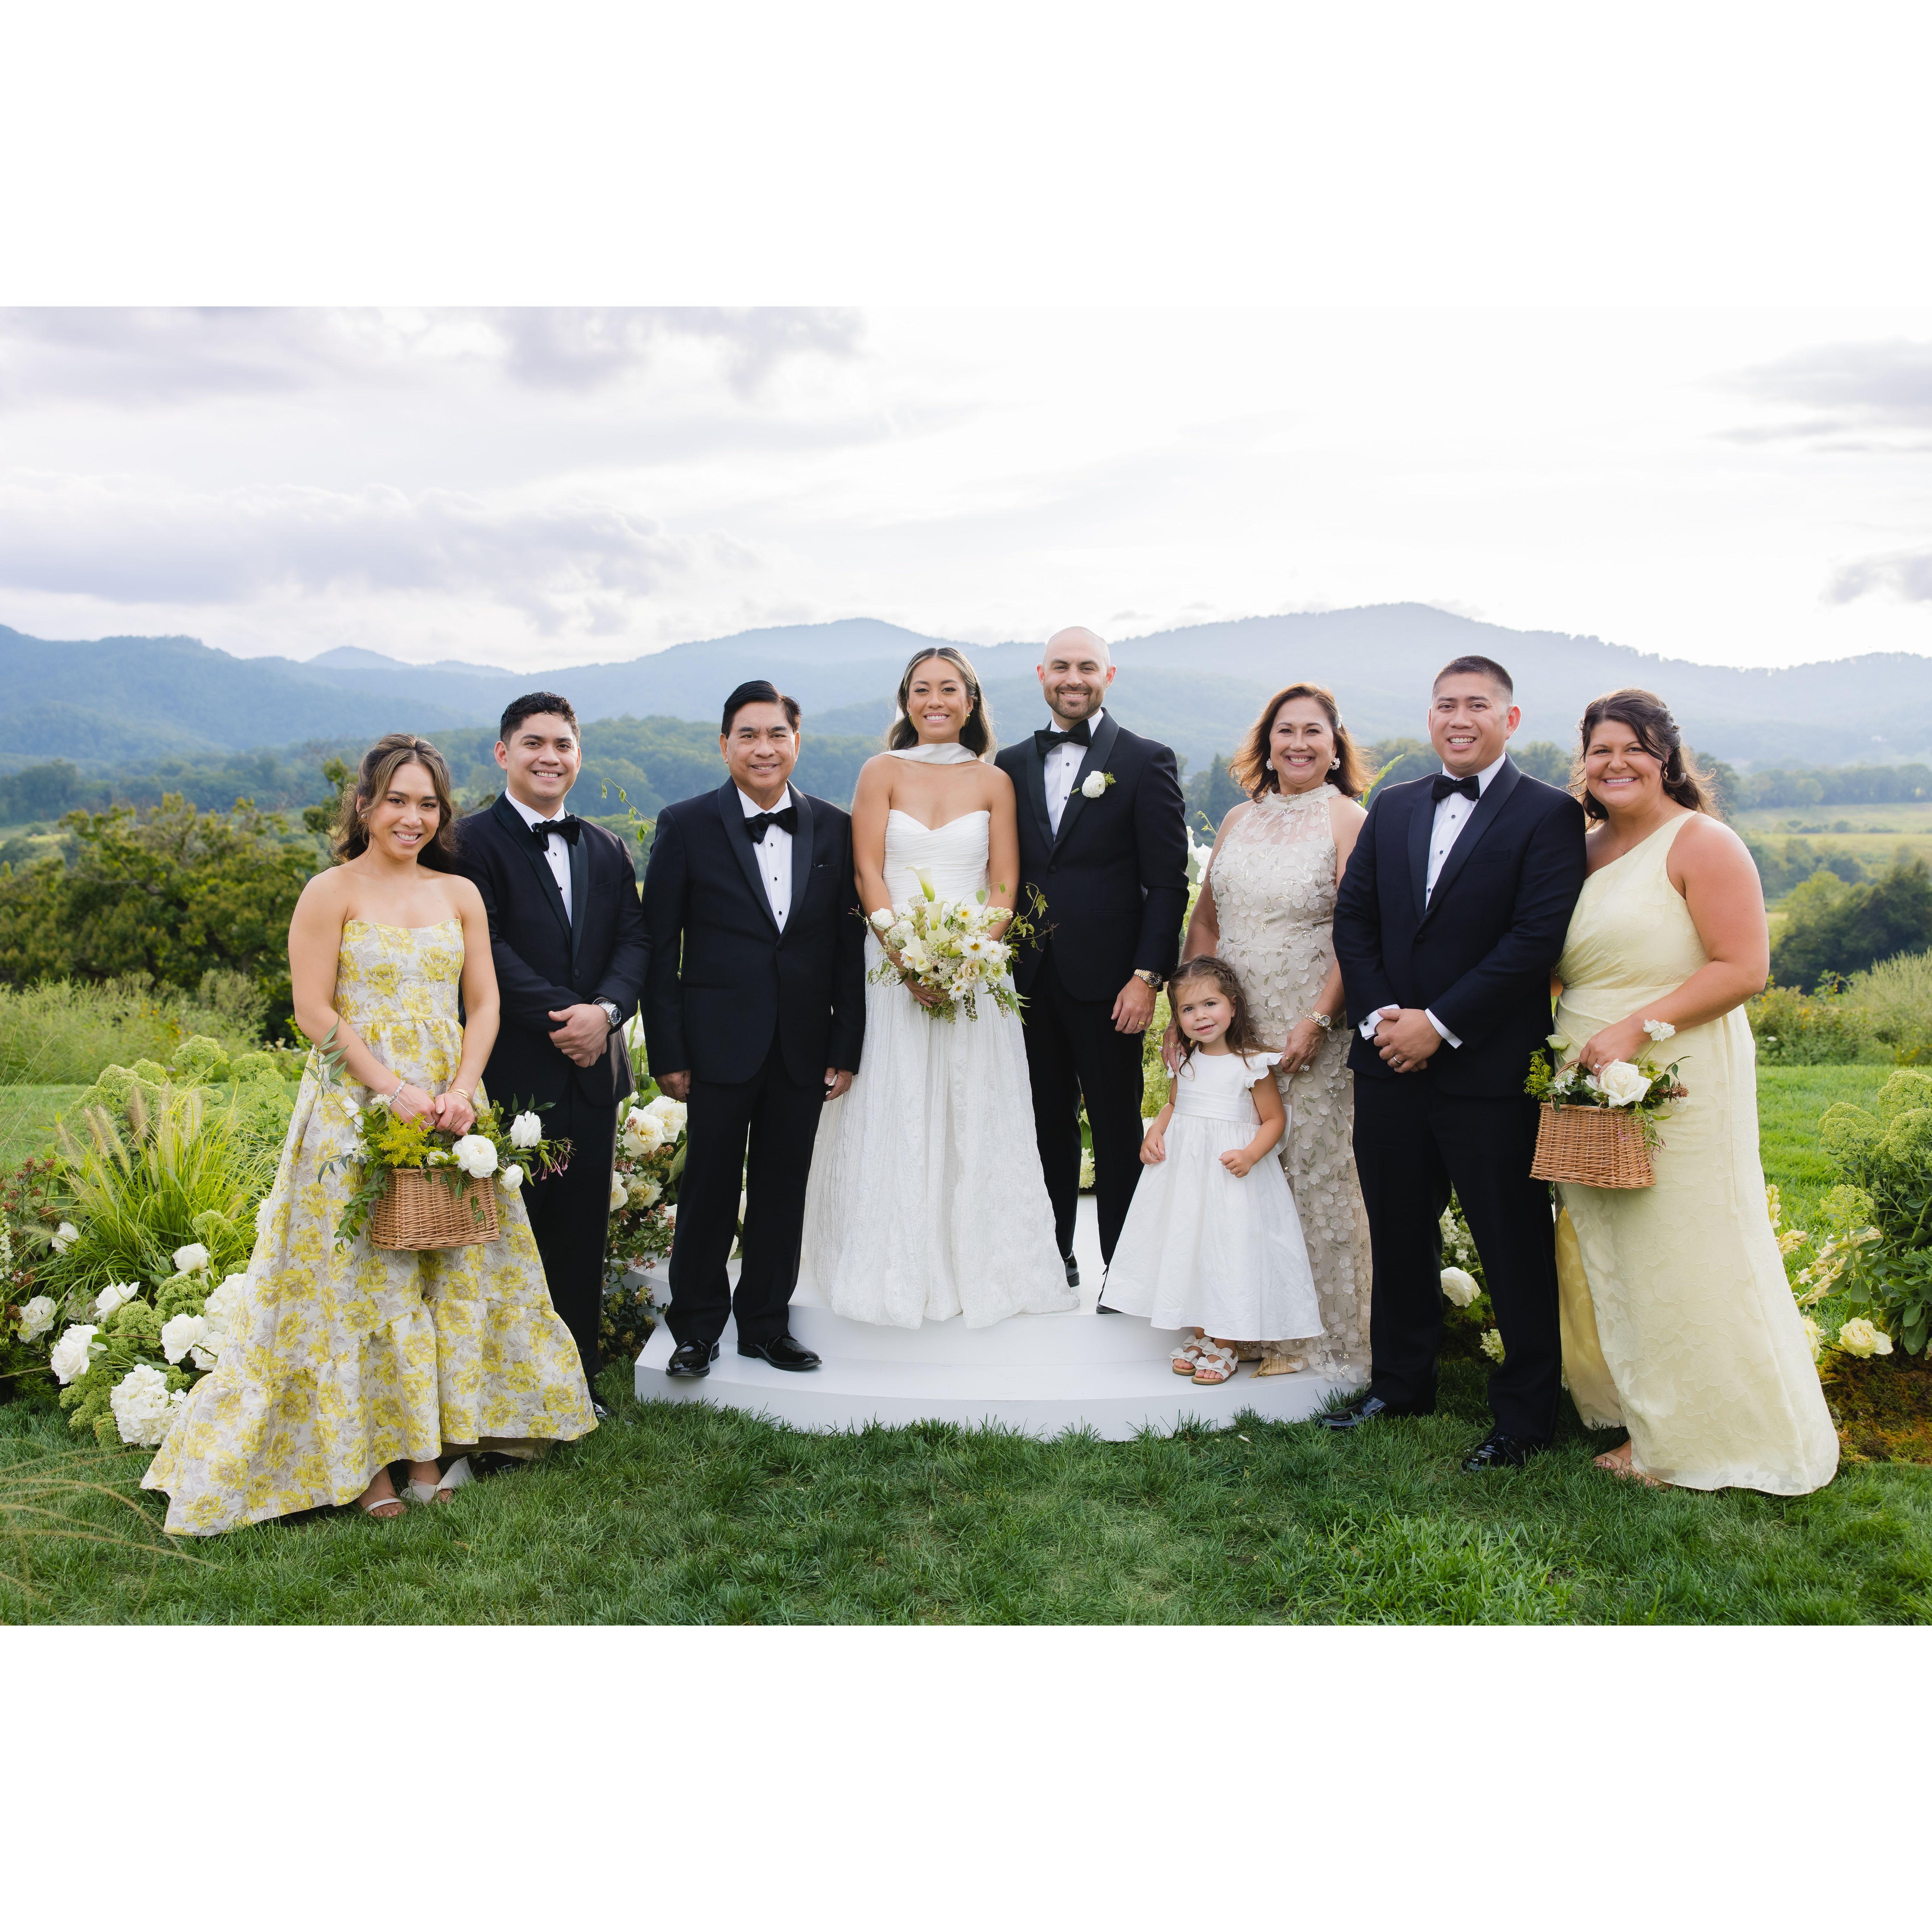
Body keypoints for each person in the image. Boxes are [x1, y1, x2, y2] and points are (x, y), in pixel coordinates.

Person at [144, 734, 597, 1534]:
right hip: (355, 1107)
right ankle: (368, 1464)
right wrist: (391, 1091)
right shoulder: (330, 891)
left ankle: (428, 1453)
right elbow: (313, 1009)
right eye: (396, 801)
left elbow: (484, 1003)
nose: (411, 817)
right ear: (364, 806)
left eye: (427, 804)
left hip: (451, 1109)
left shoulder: (459, 893)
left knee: (443, 1269)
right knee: (360, 1281)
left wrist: (461, 1092)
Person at [1552, 689, 1838, 1493]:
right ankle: (1634, 1407)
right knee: (1605, 1243)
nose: (1615, 763)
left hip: (1676, 1068)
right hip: (1584, 1073)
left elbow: (1742, 967)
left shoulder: (1702, 842)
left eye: (1634, 748)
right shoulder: (1579, 849)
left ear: (1666, 758)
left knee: (1683, 1242)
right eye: (1601, 750)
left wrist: (1634, 1030)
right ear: (1584, 761)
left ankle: (1700, 1435)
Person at [1328, 655, 1588, 1470]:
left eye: (1478, 705)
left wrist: (1438, 1025)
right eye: (1446, 705)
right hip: (1387, 1062)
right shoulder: (1393, 805)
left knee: (1510, 1242)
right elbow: (1354, 919)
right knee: (1399, 1233)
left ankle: (1524, 1416)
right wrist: (1381, 1018)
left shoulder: (1549, 813)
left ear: (1510, 720)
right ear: (1430, 716)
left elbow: (1533, 940)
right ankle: (1400, 1385)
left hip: (1488, 1070)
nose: (1459, 718)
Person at [797, 649, 1075, 1325]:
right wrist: (906, 958)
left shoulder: (994, 780)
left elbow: (1004, 882)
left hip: (975, 968)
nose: (934, 700)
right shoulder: (881, 771)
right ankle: (892, 1264)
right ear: (906, 701)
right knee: (893, 1099)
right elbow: (867, 871)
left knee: (971, 1104)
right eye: (921, 689)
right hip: (890, 963)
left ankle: (973, 1264)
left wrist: (969, 959)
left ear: (970, 701)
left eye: (948, 689)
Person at [641, 681, 865, 1375]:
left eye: (776, 734)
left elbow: (847, 947)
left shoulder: (835, 826)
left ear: (796, 742)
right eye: (748, 735)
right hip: (714, 1044)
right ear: (724, 745)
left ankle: (766, 1324)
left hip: (802, 1044)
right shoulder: (684, 824)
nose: (763, 748)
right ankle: (694, 1328)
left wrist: (845, 1044)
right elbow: (660, 949)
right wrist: (668, 1049)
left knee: (781, 1189)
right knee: (707, 1186)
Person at [449, 692, 649, 1413]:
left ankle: (576, 1383)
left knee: (580, 1238)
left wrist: (606, 1014)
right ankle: (503, 1390)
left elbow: (635, 939)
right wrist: (566, 1015)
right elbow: (485, 947)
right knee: (508, 1237)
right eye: (534, 743)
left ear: (578, 755)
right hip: (512, 1069)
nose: (549, 756)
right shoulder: (466, 843)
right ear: (503, 753)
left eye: (562, 744)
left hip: (594, 1072)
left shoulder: (606, 846)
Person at [1174, 681, 1372, 1377]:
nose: (1297, 743)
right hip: (1232, 1023)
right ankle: (1239, 1323)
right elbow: (1205, 920)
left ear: (1334, 744)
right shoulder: (1237, 819)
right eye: (1285, 730)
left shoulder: (1347, 818)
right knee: (1238, 1168)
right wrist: (1190, 1010)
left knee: (1309, 1166)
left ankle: (1315, 1334)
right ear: (1266, 743)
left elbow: (1357, 930)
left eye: (1313, 731)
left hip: (1307, 1018)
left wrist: (1319, 1016)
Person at [992, 627, 1189, 1289]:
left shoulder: (1145, 759)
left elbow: (1167, 883)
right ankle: (1052, 1261)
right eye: (1060, 667)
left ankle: (1124, 1270)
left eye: (1086, 667)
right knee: (1042, 1124)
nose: (1072, 679)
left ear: (1108, 675)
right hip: (1025, 979)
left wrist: (1146, 976)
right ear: (1040, 674)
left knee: (1114, 1124)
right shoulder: (1009, 763)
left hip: (1111, 982)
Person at [1102, 957, 1320, 1386]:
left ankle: (1226, 1342)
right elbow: (1174, 1105)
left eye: (1210, 1004)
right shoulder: (1185, 1061)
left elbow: (1274, 1120)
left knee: (1227, 1250)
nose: (1200, 1016)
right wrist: (1155, 1133)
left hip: (1230, 1179)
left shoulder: (1251, 1064)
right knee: (1191, 1247)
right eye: (1188, 1009)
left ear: (1233, 1006)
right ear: (1177, 1017)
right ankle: (1201, 1334)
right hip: (1185, 1178)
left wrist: (1251, 1154)